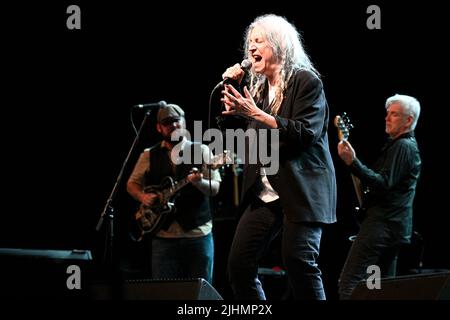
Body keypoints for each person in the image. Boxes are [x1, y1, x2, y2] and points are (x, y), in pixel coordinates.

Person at [219, 14, 337, 300]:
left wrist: (256, 114)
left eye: (258, 41)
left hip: (301, 188)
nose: (251, 49)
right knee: (238, 265)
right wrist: (232, 100)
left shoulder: (306, 82)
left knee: (299, 262)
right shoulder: (258, 90)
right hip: (266, 193)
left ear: (279, 45)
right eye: (249, 43)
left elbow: (306, 132)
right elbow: (240, 132)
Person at [337, 94, 422, 299]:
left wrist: (352, 163)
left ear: (408, 120)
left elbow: (382, 183)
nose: (387, 118)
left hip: (382, 227)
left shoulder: (404, 146)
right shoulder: (400, 146)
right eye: (387, 113)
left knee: (350, 282)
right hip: (393, 228)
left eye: (394, 114)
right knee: (377, 287)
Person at [126, 103, 221, 284]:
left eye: (177, 121)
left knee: (200, 293)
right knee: (164, 292)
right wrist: (143, 197)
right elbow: (131, 184)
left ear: (184, 122)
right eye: (167, 122)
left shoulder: (201, 150)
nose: (174, 126)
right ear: (159, 127)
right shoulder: (148, 155)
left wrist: (199, 182)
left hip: (198, 235)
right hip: (163, 237)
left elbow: (215, 188)